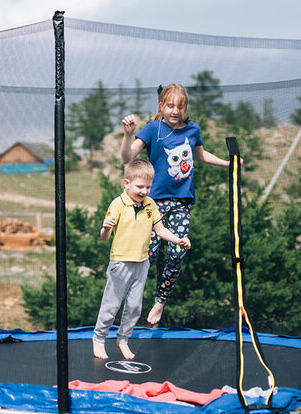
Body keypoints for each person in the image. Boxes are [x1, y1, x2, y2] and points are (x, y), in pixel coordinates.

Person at [120, 83, 234, 325]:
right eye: (170, 106)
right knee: (148, 254)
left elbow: (200, 155)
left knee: (177, 252)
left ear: (185, 109)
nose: (175, 111)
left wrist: (228, 163)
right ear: (161, 106)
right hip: (153, 203)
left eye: (180, 107)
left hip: (182, 202)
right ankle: (131, 296)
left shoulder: (193, 129)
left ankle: (160, 301)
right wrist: (128, 135)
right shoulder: (153, 129)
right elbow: (127, 158)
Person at [93, 159, 191, 360]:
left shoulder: (150, 205)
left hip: (141, 262)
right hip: (121, 262)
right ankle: (99, 338)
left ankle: (123, 340)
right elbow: (104, 237)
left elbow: (161, 230)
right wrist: (105, 228)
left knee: (134, 307)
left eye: (148, 187)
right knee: (111, 305)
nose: (144, 191)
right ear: (126, 183)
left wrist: (178, 240)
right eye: (139, 187)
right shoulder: (118, 204)